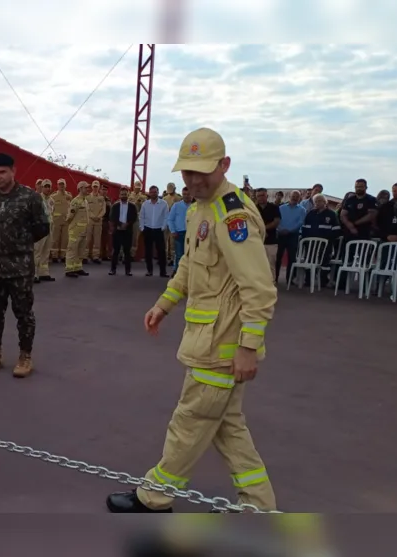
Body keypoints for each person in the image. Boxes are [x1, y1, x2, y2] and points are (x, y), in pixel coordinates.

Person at [106, 127, 277, 513]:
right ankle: (259, 505)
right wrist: (164, 304)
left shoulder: (232, 215)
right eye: (188, 172)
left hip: (223, 346)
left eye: (202, 171)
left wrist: (248, 347)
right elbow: (189, 264)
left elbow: (260, 288)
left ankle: (154, 496)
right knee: (228, 427)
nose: (194, 180)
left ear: (225, 165)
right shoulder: (202, 207)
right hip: (207, 340)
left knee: (190, 421)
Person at [0, 153, 50, 378]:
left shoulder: (30, 198)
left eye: (2, 172)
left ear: (13, 171)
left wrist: (19, 245)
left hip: (20, 268)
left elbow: (42, 228)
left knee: (24, 314)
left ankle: (25, 356)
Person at [275, 190, 306, 285]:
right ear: (289, 196)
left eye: (297, 196)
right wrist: (281, 229)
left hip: (293, 235)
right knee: (278, 257)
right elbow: (277, 220)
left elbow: (300, 222)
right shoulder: (281, 208)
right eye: (293, 195)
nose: (295, 197)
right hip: (280, 234)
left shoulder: (302, 210)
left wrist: (290, 230)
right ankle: (275, 278)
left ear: (299, 198)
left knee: (292, 258)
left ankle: (290, 279)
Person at [138, 185, 170, 277]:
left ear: (158, 192)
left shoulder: (164, 203)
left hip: (159, 229)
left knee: (161, 251)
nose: (153, 194)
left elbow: (166, 216)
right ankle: (149, 271)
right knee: (148, 251)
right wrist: (142, 228)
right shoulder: (145, 204)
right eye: (151, 192)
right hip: (147, 229)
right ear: (149, 193)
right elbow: (141, 217)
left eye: (155, 192)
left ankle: (163, 272)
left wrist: (163, 227)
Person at [108, 186, 137, 276]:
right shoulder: (115, 206)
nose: (123, 196)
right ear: (119, 195)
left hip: (128, 231)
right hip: (117, 230)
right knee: (115, 251)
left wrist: (127, 224)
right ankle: (113, 269)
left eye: (125, 194)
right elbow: (112, 217)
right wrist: (120, 224)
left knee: (127, 251)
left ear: (128, 195)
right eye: (122, 194)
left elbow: (134, 217)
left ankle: (128, 271)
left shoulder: (132, 206)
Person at [64, 181, 90, 278]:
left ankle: (78, 267)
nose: (88, 189)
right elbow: (70, 216)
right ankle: (69, 269)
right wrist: (71, 226)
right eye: (86, 188)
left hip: (83, 230)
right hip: (75, 230)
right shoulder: (75, 201)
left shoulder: (85, 201)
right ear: (80, 189)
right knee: (72, 250)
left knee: (80, 250)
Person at [166, 185, 192, 273]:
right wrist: (173, 231)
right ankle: (177, 272)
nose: (186, 196)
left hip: (192, 234)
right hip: (179, 233)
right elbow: (170, 219)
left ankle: (189, 274)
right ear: (182, 195)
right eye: (184, 194)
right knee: (179, 255)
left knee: (191, 255)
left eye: (188, 194)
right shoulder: (176, 206)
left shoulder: (196, 206)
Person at [34, 179, 56, 283]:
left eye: (49, 186)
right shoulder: (37, 198)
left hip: (49, 226)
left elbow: (52, 213)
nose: (48, 188)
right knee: (37, 251)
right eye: (45, 186)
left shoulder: (52, 200)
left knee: (46, 251)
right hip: (40, 227)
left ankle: (44, 272)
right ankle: (34, 274)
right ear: (41, 188)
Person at [85, 180, 106, 263]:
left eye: (96, 187)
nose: (95, 188)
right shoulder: (87, 197)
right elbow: (87, 209)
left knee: (97, 239)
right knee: (87, 238)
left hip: (98, 221)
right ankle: (84, 256)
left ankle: (95, 256)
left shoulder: (101, 198)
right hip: (90, 220)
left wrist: (99, 216)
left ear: (99, 187)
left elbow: (104, 209)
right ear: (92, 187)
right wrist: (93, 216)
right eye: (94, 186)